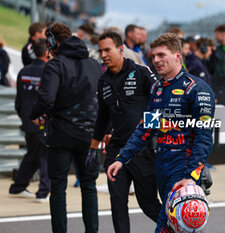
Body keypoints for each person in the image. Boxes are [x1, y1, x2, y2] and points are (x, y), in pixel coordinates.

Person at [107, 33, 216, 232]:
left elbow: (204, 136)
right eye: (153, 56)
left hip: (183, 167)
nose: (156, 60)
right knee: (175, 227)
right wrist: (122, 158)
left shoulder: (197, 89)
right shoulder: (157, 88)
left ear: (177, 56)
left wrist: (192, 175)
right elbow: (146, 129)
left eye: (161, 55)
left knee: (172, 225)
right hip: (162, 163)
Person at [30, 23, 103, 233]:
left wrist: (34, 115)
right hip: (89, 135)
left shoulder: (55, 64)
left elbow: (46, 99)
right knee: (89, 186)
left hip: (61, 135)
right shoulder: (94, 64)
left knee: (59, 188)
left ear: (53, 41)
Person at [88, 31, 161, 233]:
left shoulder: (141, 72)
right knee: (117, 204)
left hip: (141, 149)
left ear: (121, 50)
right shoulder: (103, 81)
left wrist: (150, 133)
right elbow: (103, 117)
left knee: (148, 204)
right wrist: (92, 149)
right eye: (100, 50)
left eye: (107, 50)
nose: (103, 54)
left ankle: (175, 229)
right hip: (116, 151)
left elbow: (158, 103)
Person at [10, 39, 50, 202]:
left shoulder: (24, 70)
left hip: (27, 120)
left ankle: (18, 187)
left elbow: (19, 101)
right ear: (47, 53)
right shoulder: (49, 71)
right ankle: (43, 192)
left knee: (33, 153)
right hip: (42, 120)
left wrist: (24, 117)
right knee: (46, 155)